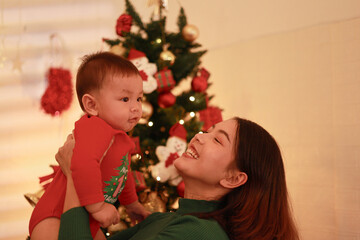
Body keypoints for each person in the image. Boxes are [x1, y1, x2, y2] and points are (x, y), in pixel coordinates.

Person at [55, 117, 300, 240]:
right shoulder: (166, 220)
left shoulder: (198, 233)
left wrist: (76, 174)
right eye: (208, 130)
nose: (199, 136)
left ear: (234, 178)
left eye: (217, 139)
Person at [29, 52, 150, 240]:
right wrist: (98, 207)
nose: (135, 107)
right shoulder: (94, 127)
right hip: (55, 215)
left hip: (87, 218)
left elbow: (121, 175)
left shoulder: (119, 137)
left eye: (139, 98)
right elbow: (83, 164)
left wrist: (132, 204)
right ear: (91, 105)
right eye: (125, 99)